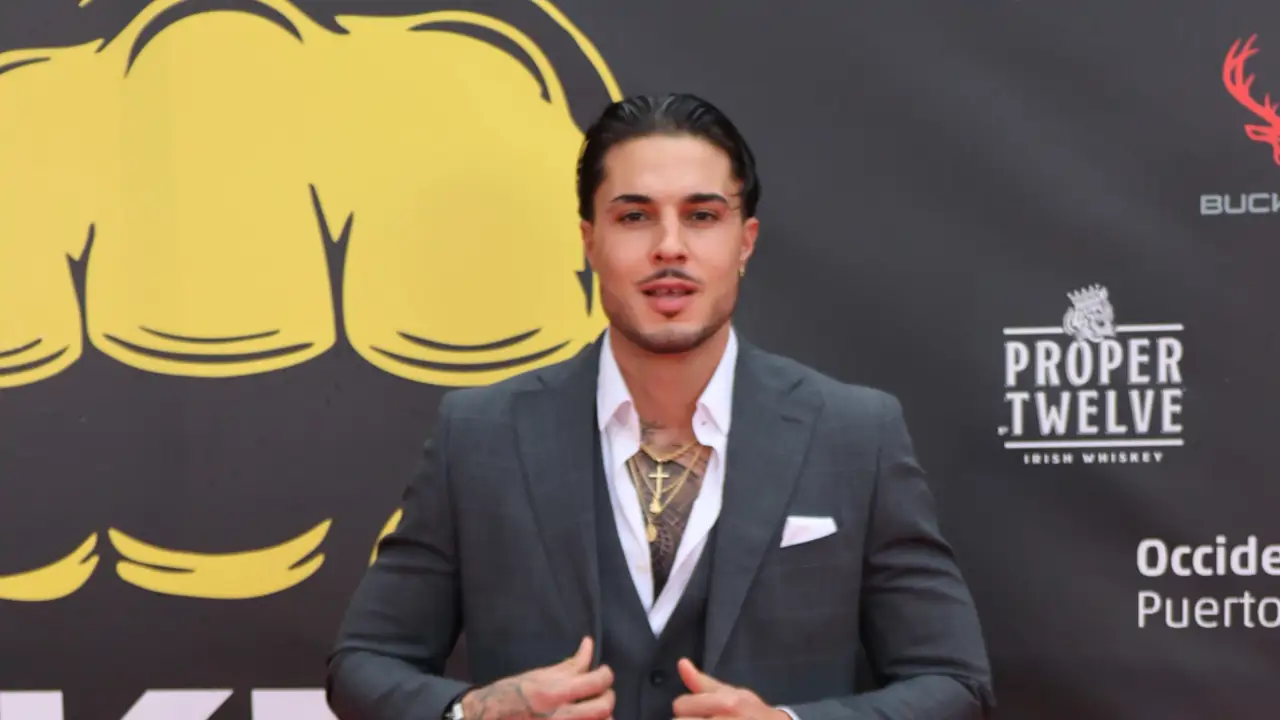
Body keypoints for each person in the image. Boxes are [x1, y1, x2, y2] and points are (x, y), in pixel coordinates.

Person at [325, 93, 995, 720]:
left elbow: (954, 681)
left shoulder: (855, 434)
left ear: (745, 241)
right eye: (634, 216)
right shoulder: (480, 435)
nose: (669, 246)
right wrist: (475, 711)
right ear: (589, 241)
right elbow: (363, 663)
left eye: (701, 216)